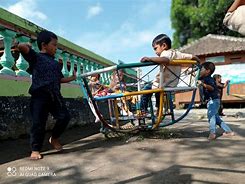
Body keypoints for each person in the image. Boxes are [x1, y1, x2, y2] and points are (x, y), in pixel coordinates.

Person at [15, 30, 76, 160]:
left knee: (65, 117)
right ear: (44, 45)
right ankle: (35, 149)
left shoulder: (55, 63)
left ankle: (54, 138)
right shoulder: (36, 57)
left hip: (55, 95)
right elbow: (21, 47)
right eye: (54, 45)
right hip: (39, 96)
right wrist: (23, 44)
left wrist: (71, 78)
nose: (56, 48)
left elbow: (60, 79)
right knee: (38, 123)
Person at [140, 33, 200, 114]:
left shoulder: (165, 53)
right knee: (158, 92)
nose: (155, 52)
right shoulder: (178, 54)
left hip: (162, 84)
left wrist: (149, 58)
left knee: (146, 89)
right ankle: (159, 108)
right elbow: (192, 56)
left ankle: (143, 109)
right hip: (171, 84)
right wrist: (198, 60)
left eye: (155, 48)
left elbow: (165, 60)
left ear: (164, 46)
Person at [197, 62, 234, 140]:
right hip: (213, 101)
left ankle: (212, 133)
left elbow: (211, 88)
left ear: (207, 71)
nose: (200, 71)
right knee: (216, 118)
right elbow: (197, 75)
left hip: (213, 101)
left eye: (202, 69)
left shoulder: (208, 79)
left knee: (211, 117)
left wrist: (203, 84)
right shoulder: (203, 78)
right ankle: (229, 131)